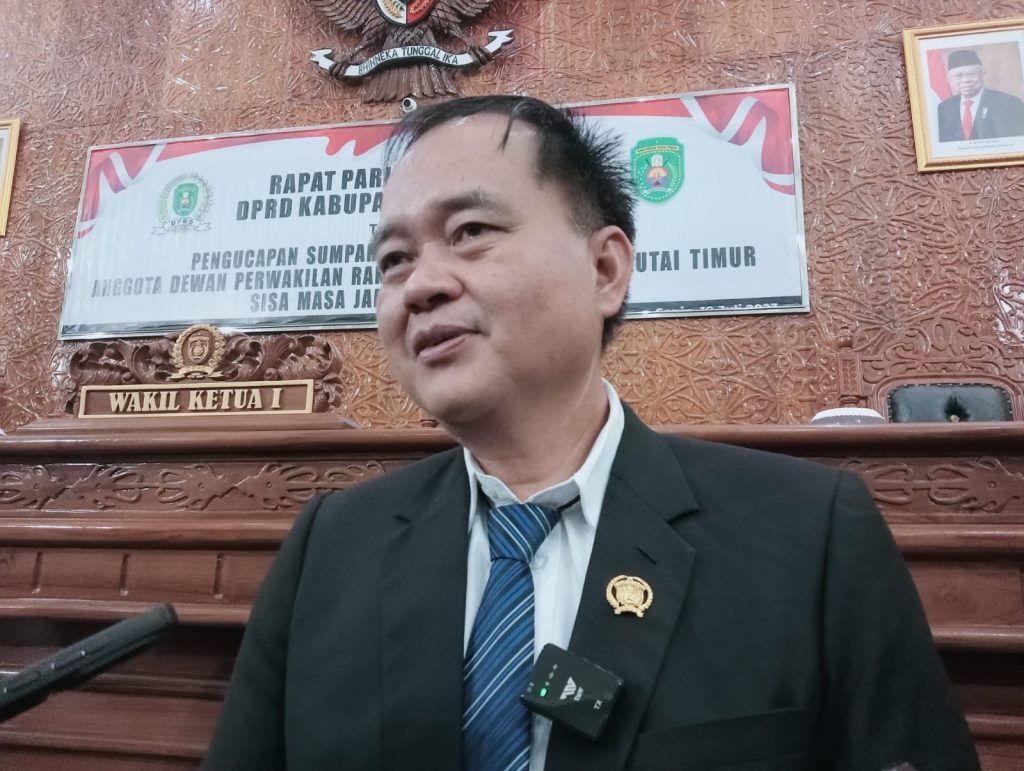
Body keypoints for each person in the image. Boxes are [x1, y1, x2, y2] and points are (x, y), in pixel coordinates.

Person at [204, 95, 979, 770]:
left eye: (470, 230)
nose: (422, 285)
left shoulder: (811, 535)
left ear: (605, 269)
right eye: (395, 259)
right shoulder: (331, 545)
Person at [938, 48, 1024, 142]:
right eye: (958, 76)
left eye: (971, 74)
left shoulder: (1009, 103)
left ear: (982, 75)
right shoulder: (944, 108)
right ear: (949, 80)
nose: (966, 80)